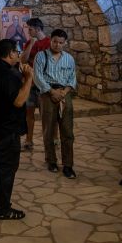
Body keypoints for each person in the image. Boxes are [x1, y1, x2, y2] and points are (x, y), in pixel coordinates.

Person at [0, 38, 34, 220]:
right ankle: (3, 208)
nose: (18, 55)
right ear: (11, 53)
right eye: (17, 52)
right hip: (8, 130)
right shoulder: (10, 76)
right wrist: (28, 79)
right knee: (7, 168)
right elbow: (19, 101)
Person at [33, 29, 78, 178]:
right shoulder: (41, 56)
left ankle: (68, 165)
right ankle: (51, 160)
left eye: (61, 43)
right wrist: (52, 92)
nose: (57, 45)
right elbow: (38, 76)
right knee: (49, 129)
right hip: (47, 95)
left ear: (65, 43)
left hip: (64, 94)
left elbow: (72, 78)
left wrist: (64, 93)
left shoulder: (69, 59)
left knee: (67, 131)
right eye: (55, 42)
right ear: (50, 40)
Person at [20, 18, 50, 152]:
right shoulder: (29, 42)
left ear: (38, 29)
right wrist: (31, 44)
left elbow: (48, 62)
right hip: (30, 84)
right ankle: (29, 140)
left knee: (48, 115)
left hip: (44, 84)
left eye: (30, 29)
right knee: (29, 113)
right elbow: (23, 60)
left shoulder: (49, 42)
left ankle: (52, 139)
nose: (28, 31)